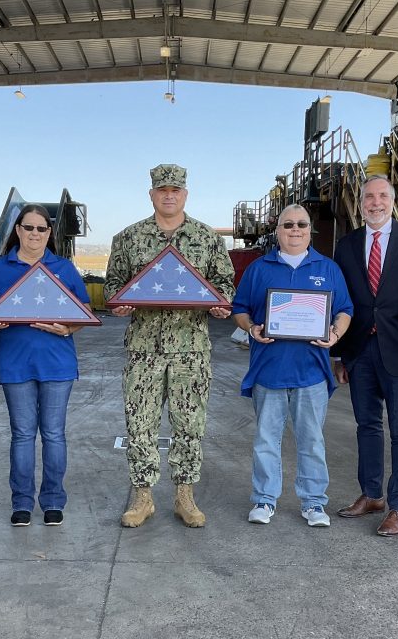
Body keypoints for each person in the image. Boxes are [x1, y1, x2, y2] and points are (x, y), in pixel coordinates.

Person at [105, 163, 235, 528]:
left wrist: (220, 305)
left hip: (191, 349)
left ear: (185, 195)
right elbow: (113, 285)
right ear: (152, 195)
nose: (169, 195)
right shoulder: (128, 238)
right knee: (139, 424)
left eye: (175, 190)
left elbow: (225, 284)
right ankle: (142, 498)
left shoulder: (207, 238)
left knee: (189, 425)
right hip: (143, 348)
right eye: (162, 190)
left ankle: (184, 497)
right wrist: (120, 304)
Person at [332, 175, 398, 537]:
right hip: (360, 351)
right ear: (361, 203)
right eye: (368, 197)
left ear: (392, 201)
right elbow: (339, 303)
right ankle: (371, 494)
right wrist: (340, 354)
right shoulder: (346, 245)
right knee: (367, 426)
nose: (374, 203)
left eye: (381, 196)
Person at [232, 204, 353, 527]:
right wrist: (250, 328)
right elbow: (240, 308)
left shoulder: (327, 269)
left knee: (311, 440)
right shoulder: (259, 269)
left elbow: (344, 309)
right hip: (268, 369)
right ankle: (264, 499)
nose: (295, 229)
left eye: (301, 224)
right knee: (265, 440)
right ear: (278, 230)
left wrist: (335, 333)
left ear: (310, 229)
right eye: (288, 224)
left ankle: (314, 503)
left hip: (311, 371)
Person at [0, 204, 90, 528]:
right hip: (15, 364)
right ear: (18, 230)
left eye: (42, 229)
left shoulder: (64, 268)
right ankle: (22, 503)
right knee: (23, 435)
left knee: (54, 434)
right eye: (29, 228)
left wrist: (69, 328)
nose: (35, 234)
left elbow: (83, 312)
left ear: (49, 233)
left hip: (57, 364)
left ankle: (53, 500)